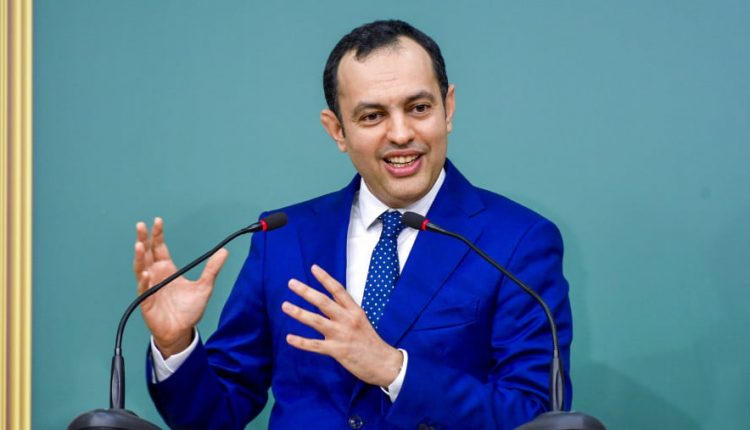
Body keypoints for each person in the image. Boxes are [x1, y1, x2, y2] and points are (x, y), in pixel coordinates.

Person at [134, 19, 573, 430]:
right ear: (337, 130)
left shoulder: (517, 241)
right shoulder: (282, 238)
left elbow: (535, 414)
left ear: (448, 107)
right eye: (372, 116)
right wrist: (176, 345)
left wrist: (394, 370)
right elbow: (214, 417)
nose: (400, 134)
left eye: (419, 107)